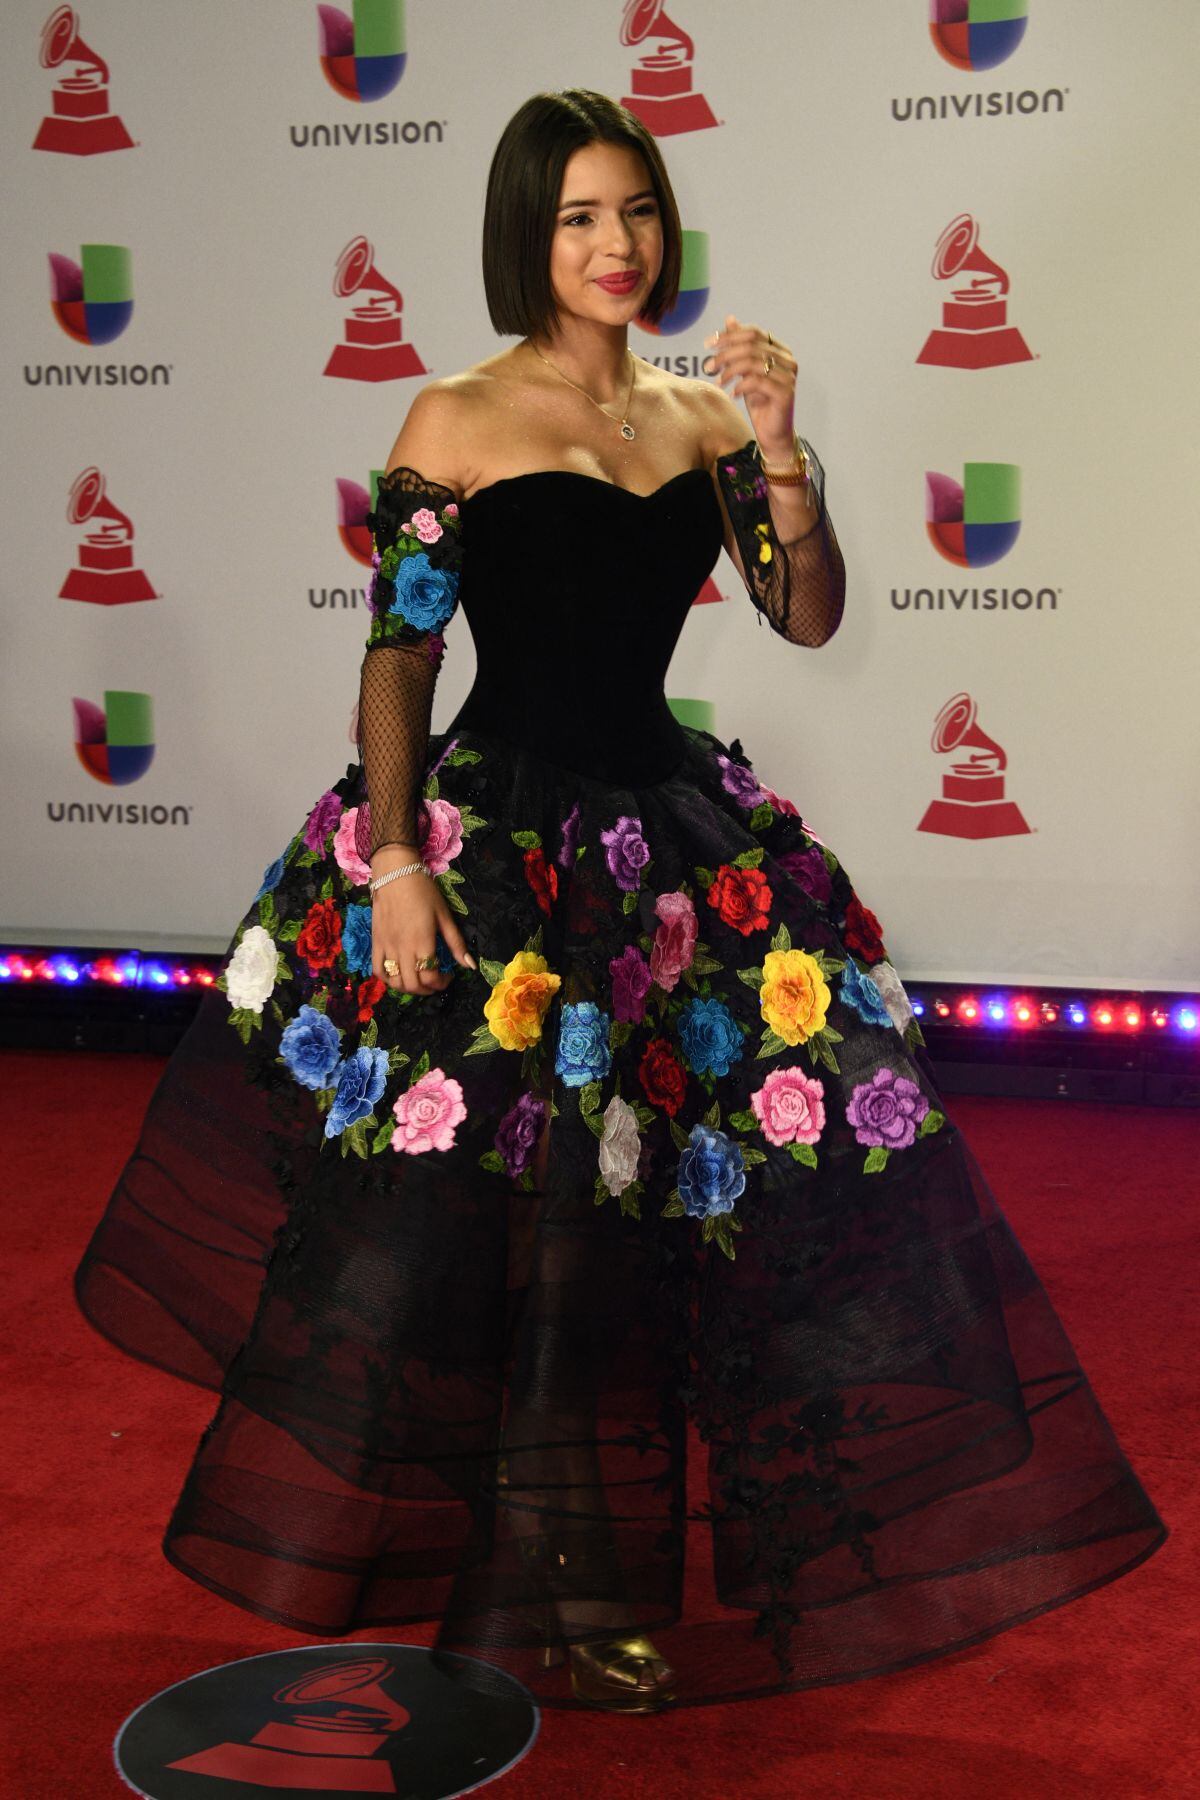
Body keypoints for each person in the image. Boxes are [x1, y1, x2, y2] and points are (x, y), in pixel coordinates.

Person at [75, 90, 1167, 1717]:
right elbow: (400, 658)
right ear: (532, 233)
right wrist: (393, 859)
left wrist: (789, 456)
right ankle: (519, 1553)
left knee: (659, 1214)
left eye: (637, 212)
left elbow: (805, 615)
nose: (616, 245)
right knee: (497, 1225)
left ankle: (596, 1579)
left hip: (668, 856)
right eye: (582, 216)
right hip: (496, 847)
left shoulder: (703, 422)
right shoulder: (454, 415)